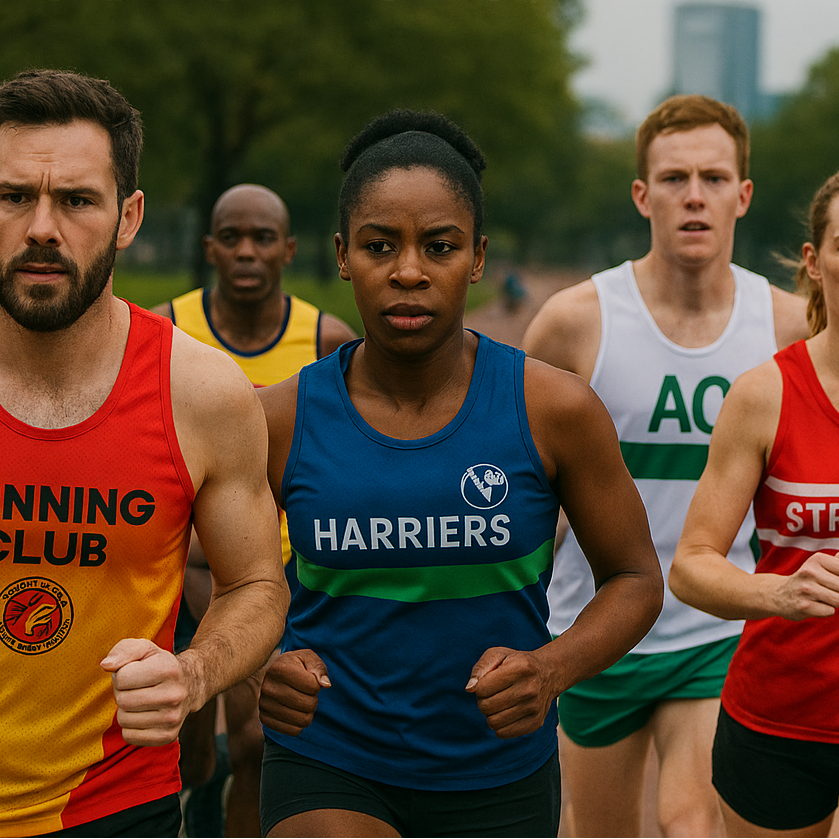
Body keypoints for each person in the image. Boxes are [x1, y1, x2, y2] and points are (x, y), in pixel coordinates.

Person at [256, 108, 663, 839]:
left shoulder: (552, 408)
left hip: (497, 771)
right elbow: (211, 579)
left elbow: (635, 579)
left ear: (475, 259)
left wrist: (550, 668)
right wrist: (260, 666)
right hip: (328, 754)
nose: (408, 271)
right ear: (344, 254)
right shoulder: (279, 418)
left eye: (437, 246)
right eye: (380, 246)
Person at [0, 69, 288, 838]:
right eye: (13, 195)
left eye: (76, 200)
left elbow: (257, 583)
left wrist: (192, 673)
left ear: (128, 217)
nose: (41, 228)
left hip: (114, 803)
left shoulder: (199, 392)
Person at [522, 94, 809, 838]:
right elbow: (521, 487)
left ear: (742, 196)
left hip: (718, 628)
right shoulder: (574, 320)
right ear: (641, 195)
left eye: (713, 178)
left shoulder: (783, 323)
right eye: (674, 177)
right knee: (598, 827)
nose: (693, 196)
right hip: (597, 627)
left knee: (691, 820)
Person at [153, 183, 355, 837]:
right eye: (231, 237)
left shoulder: (326, 339)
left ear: (288, 250)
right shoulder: (165, 329)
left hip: (278, 569)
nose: (246, 251)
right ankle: (199, 780)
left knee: (256, 742)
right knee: (184, 749)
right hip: (177, 566)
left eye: (262, 237)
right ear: (209, 247)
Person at [670, 171, 839, 838]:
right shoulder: (764, 393)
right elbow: (690, 563)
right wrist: (778, 594)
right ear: (814, 262)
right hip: (779, 719)